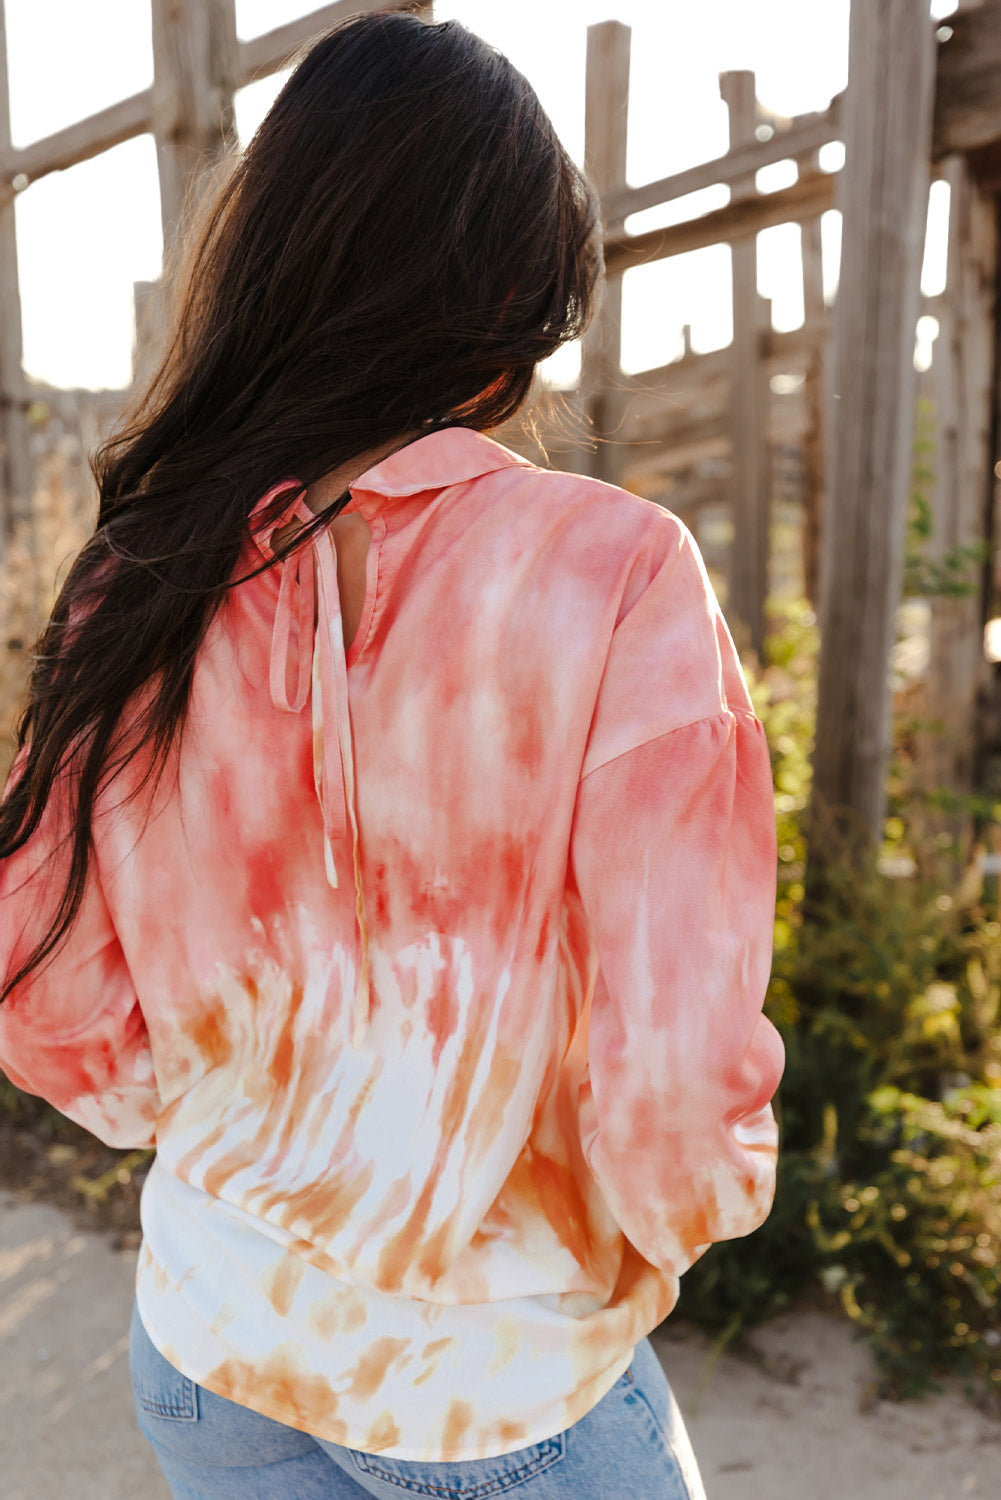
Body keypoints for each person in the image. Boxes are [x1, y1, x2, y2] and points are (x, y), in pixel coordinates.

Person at [0, 11, 784, 1498]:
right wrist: (674, 1224)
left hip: (209, 1341)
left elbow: (47, 997)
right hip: (503, 1380)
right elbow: (673, 1085)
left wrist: (253, 1131)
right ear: (517, 306)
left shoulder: (140, 575)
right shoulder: (616, 574)